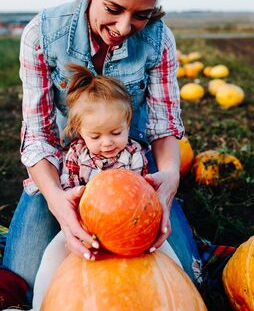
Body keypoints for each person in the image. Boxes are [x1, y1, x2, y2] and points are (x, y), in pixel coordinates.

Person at [3, 0, 201, 304]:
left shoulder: (160, 40)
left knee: (191, 279)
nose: (125, 27)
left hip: (133, 172)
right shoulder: (42, 35)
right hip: (66, 173)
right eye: (113, 8)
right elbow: (38, 136)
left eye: (141, 14)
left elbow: (163, 127)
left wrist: (169, 180)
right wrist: (58, 202)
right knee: (25, 289)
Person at [29, 64, 181, 310]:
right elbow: (69, 191)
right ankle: (39, 305)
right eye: (96, 137)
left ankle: (184, 293)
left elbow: (139, 193)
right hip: (87, 223)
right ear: (80, 132)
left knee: (167, 251)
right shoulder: (75, 156)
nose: (108, 143)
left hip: (130, 225)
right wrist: (76, 214)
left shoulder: (133, 154)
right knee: (53, 255)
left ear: (128, 124)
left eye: (115, 132)